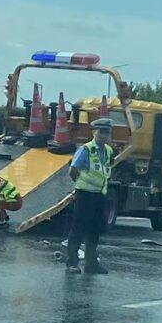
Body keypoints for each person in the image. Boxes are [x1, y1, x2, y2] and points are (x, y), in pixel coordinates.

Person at [66, 117, 114, 275]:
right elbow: (73, 170)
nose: (104, 135)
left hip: (100, 195)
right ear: (94, 132)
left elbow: (107, 169)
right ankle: (72, 263)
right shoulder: (86, 149)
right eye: (101, 132)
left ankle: (91, 264)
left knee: (95, 230)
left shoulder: (108, 150)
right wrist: (80, 183)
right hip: (85, 194)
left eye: (107, 132)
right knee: (78, 229)